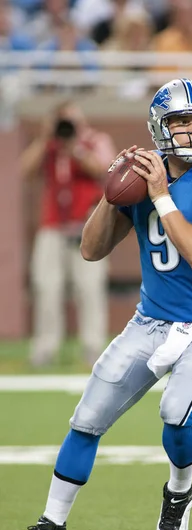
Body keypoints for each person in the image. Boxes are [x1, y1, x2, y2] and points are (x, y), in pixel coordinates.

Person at [5, 78, 192, 530]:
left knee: (176, 415)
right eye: (181, 122)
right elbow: (90, 249)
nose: (191, 131)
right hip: (150, 321)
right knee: (87, 418)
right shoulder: (145, 175)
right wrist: (112, 192)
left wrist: (160, 195)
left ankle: (179, 492)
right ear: (159, 128)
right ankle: (51, 525)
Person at [22, 100, 116, 367]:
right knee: (47, 287)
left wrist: (74, 146)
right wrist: (44, 138)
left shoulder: (95, 140)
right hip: (52, 226)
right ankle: (45, 349)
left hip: (86, 226)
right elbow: (26, 170)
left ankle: (93, 350)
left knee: (89, 288)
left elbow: (103, 169)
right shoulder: (48, 145)